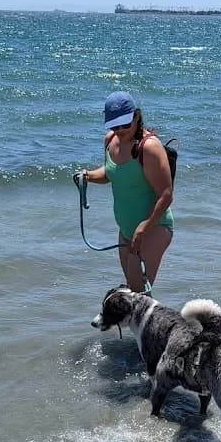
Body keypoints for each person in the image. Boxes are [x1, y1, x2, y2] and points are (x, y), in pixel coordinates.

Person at [80, 91, 173, 292]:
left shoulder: (149, 147)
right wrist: (88, 176)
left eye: (125, 124)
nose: (120, 130)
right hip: (127, 229)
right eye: (115, 125)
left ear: (136, 117)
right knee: (134, 293)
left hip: (154, 227)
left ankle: (162, 323)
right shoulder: (110, 140)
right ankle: (152, 323)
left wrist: (144, 226)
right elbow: (111, 173)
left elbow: (166, 194)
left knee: (137, 292)